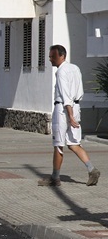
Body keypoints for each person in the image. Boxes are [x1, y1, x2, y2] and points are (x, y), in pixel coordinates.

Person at [39, 45, 100, 187]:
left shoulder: (61, 72)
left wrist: (70, 115)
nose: (50, 59)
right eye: (50, 56)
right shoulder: (75, 68)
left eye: (52, 56)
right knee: (74, 143)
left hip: (63, 109)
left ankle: (55, 178)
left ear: (62, 56)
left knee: (58, 145)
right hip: (76, 106)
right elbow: (79, 90)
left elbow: (66, 96)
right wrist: (74, 113)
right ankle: (91, 169)